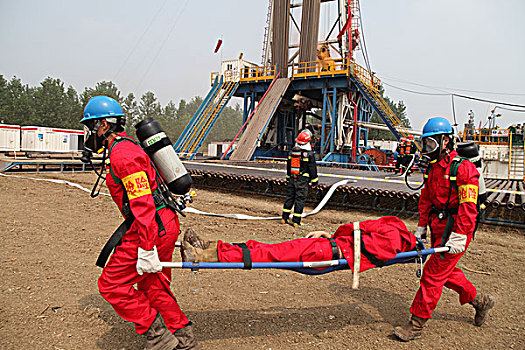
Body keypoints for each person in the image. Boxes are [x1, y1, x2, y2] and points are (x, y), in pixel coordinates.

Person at [80, 96, 199, 350]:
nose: (87, 134)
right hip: (162, 223)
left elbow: (143, 205)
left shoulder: (123, 155)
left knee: (111, 284)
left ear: (103, 125)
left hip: (152, 226)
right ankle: (183, 336)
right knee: (151, 283)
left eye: (89, 127)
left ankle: (158, 336)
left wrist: (146, 248)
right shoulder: (124, 149)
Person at [393, 116, 495, 342]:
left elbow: (469, 207)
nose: (427, 149)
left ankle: (416, 324)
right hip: (439, 227)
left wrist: (459, 236)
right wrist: (421, 227)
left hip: (458, 228)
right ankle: (480, 301)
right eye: (425, 144)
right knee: (446, 273)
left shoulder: (463, 168)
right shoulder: (433, 169)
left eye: (431, 144)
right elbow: (426, 199)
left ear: (446, 142)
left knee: (431, 275)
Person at [180, 216, 418, 273]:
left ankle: (204, 256)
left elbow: (357, 234)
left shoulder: (392, 232)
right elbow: (359, 242)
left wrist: (337, 236)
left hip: (323, 252)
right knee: (262, 248)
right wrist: (331, 235)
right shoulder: (396, 241)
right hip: (326, 247)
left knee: (266, 253)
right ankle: (210, 247)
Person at [281, 130, 318, 227]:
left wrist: (289, 177)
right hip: (302, 180)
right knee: (300, 200)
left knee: (289, 198)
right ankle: (296, 221)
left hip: (292, 178)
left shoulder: (292, 152)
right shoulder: (309, 154)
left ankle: (284, 218)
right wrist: (315, 181)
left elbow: (289, 166)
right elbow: (312, 168)